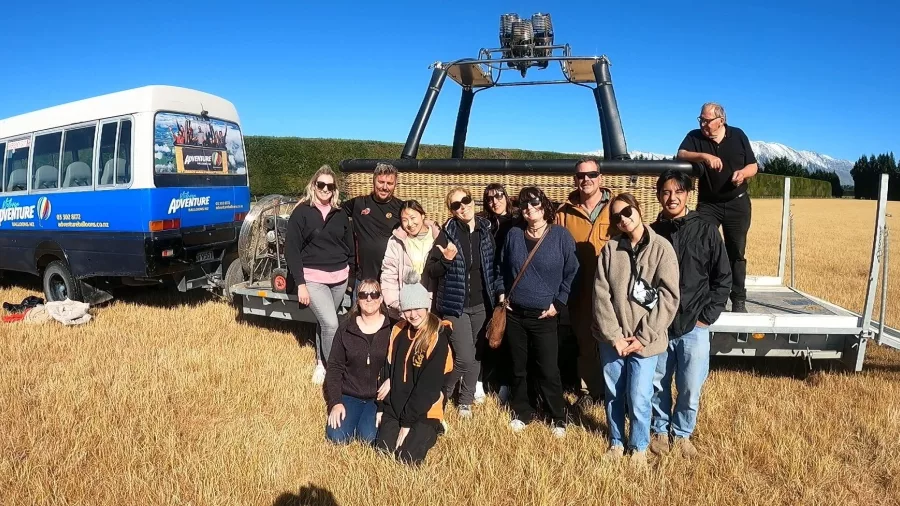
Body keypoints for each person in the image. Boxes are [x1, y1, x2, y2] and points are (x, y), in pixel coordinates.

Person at [592, 193, 680, 465]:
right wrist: (615, 337)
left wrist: (642, 338)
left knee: (640, 396)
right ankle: (617, 443)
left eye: (627, 212)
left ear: (639, 209)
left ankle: (639, 447)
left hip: (647, 341)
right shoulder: (610, 250)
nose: (623, 219)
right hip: (613, 341)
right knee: (614, 394)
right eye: (616, 217)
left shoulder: (662, 248)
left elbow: (669, 297)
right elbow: (600, 294)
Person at [649, 171, 732, 458]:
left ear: (688, 195)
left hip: (694, 325)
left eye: (678, 192)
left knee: (690, 386)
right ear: (659, 195)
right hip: (659, 325)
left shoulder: (706, 230)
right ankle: (659, 430)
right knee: (657, 382)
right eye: (666, 192)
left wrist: (706, 317)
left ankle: (682, 435)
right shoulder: (651, 233)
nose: (672, 198)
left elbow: (723, 278)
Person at [500, 186, 579, 438]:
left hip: (545, 315)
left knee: (547, 368)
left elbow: (572, 272)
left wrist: (559, 303)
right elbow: (499, 268)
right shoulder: (513, 235)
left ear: (545, 206)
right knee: (518, 366)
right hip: (514, 314)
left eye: (534, 204)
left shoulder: (561, 237)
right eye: (524, 205)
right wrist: (501, 294)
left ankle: (557, 416)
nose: (529, 209)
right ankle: (523, 411)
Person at [424, 187, 504, 418]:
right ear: (452, 210)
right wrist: (446, 261)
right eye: (456, 205)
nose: (463, 207)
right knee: (465, 356)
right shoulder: (446, 234)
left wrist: (498, 293)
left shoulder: (486, 231)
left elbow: (494, 267)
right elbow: (432, 270)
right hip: (454, 305)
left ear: (473, 201)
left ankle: (466, 401)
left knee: (478, 355)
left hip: (482, 303)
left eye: (465, 201)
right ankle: (442, 393)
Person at [676, 102, 758, 312]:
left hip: (737, 203)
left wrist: (743, 174)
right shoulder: (695, 136)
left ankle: (738, 299)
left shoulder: (738, 135)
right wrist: (705, 156)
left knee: (736, 252)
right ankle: (704, 296)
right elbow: (681, 154)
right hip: (708, 204)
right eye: (701, 119)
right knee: (701, 247)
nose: (703, 124)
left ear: (721, 120)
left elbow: (753, 165)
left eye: (707, 120)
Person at [285, 165, 355, 385]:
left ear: (335, 190)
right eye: (321, 184)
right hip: (313, 278)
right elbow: (291, 250)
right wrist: (301, 284)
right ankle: (336, 372)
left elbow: (349, 245)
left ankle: (321, 363)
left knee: (326, 322)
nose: (325, 189)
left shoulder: (341, 213)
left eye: (330, 186)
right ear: (313, 185)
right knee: (331, 324)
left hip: (339, 278)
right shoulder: (302, 211)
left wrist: (351, 276)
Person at [555, 156, 617, 404]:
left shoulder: (615, 207)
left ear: (600, 178)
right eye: (581, 176)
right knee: (585, 342)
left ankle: (615, 391)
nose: (586, 179)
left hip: (613, 290)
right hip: (579, 289)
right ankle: (589, 391)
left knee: (613, 339)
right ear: (575, 179)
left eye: (591, 174)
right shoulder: (564, 212)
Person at [375, 277, 454, 466]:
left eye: (417, 307)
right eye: (408, 309)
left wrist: (406, 424)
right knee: (383, 452)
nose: (413, 314)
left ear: (426, 307)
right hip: (397, 404)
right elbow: (388, 366)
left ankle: (435, 427)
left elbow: (428, 389)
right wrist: (381, 407)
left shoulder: (437, 338)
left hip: (424, 409)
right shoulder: (398, 330)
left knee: (406, 459)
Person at [323, 279, 394, 445]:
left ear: (381, 298)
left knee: (368, 438)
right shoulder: (346, 328)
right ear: (357, 299)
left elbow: (401, 363)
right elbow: (334, 368)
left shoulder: (392, 329)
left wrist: (392, 381)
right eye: (363, 295)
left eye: (374, 294)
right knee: (337, 437)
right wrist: (336, 403)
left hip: (378, 398)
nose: (369, 299)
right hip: (350, 395)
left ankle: (364, 423)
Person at [478, 183, 519, 401]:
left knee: (507, 335)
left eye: (499, 196)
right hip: (487, 282)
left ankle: (505, 384)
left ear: (506, 197)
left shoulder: (517, 221)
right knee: (488, 333)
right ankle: (482, 381)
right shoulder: (483, 223)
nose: (495, 202)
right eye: (490, 198)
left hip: (510, 283)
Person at [342, 163, 403, 301]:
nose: (385, 187)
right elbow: (332, 209)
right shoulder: (358, 204)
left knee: (389, 320)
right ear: (373, 180)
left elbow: (417, 222)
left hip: (391, 280)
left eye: (389, 183)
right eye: (381, 182)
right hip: (363, 279)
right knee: (359, 319)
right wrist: (308, 202)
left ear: (395, 184)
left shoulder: (400, 208)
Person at [381, 200, 440, 319]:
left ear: (422, 215)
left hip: (434, 305)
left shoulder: (438, 237)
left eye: (413, 218)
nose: (410, 224)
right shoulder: (396, 241)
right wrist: (397, 302)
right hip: (407, 307)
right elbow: (389, 273)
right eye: (405, 220)